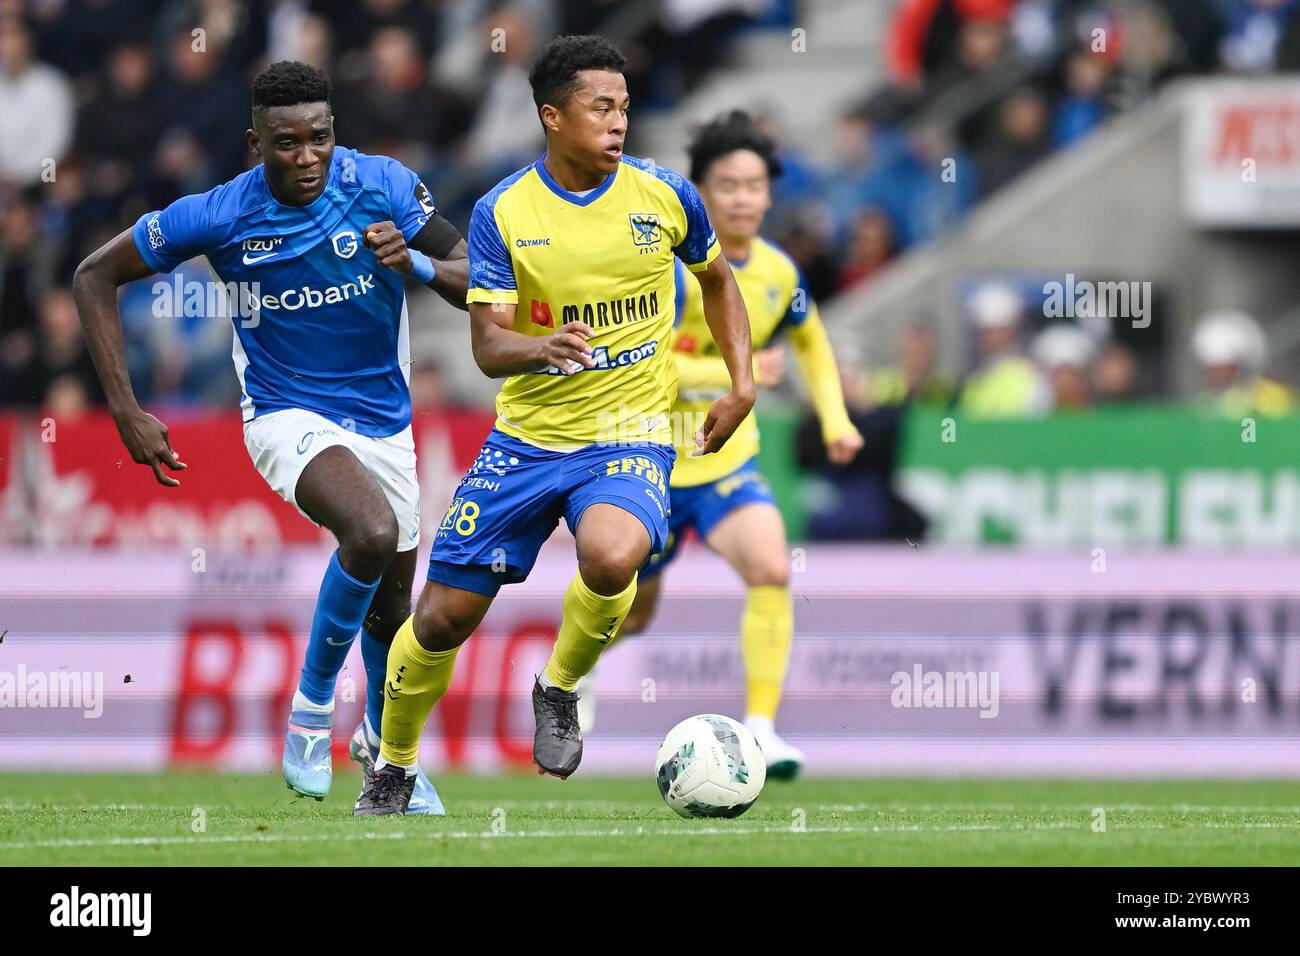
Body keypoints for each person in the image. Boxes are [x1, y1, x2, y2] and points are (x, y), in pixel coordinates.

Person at [354, 35, 755, 815]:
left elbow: (718, 280)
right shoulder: (504, 211)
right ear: (552, 116)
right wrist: (542, 346)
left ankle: (561, 686)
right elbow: (487, 348)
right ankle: (394, 765)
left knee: (613, 557)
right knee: (439, 620)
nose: (618, 123)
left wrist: (741, 385)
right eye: (600, 108)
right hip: (526, 444)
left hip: (629, 431)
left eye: (625, 108)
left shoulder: (664, 196)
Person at [72, 60, 470, 814]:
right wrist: (126, 410)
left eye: (318, 138)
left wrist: (414, 260)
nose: (306, 157)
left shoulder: (382, 185)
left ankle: (388, 765)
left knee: (394, 612)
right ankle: (311, 716)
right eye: (286, 143)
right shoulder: (221, 214)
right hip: (284, 414)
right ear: (256, 143)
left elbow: (478, 270)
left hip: (385, 422)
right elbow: (94, 275)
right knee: (370, 529)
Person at [588, 111, 865, 780]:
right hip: (646, 461)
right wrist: (733, 374)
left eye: (754, 185)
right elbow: (632, 358)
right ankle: (572, 676)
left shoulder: (778, 272)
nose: (742, 197)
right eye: (727, 184)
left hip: (724, 463)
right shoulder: (666, 268)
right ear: (701, 193)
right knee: (631, 613)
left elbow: (811, 343)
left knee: (771, 567)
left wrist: (834, 417)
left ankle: (763, 729)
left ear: (770, 193)